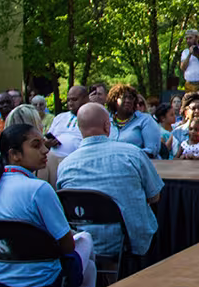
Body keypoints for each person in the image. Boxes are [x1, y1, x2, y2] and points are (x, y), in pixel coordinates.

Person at [0, 124, 97, 287]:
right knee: (85, 240)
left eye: (44, 144)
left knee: (87, 264)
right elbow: (68, 246)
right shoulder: (39, 189)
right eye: (36, 145)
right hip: (43, 282)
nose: (45, 150)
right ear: (15, 155)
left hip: (2, 281)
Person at [56, 104, 163, 259]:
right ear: (107, 126)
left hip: (86, 243)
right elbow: (154, 197)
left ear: (80, 128)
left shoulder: (65, 165)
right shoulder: (133, 154)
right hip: (130, 243)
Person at [106, 84, 161, 157]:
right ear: (114, 100)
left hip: (137, 165)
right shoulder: (106, 121)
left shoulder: (145, 120)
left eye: (131, 98)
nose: (128, 101)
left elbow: (151, 150)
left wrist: (126, 157)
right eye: (124, 97)